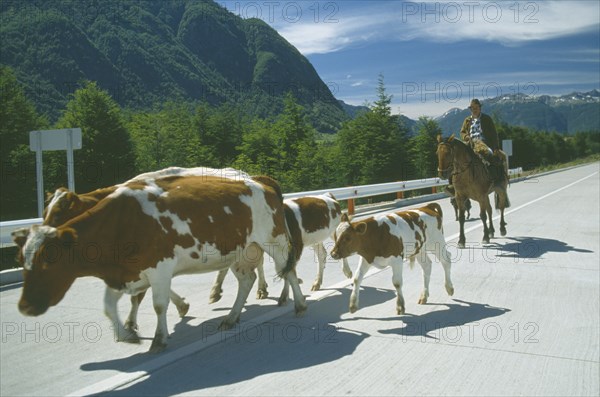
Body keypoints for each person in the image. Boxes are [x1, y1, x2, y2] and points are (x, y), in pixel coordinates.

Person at [445, 99, 505, 196]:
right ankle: (453, 186)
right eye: (472, 108)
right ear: (470, 109)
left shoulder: (486, 119)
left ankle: (496, 181)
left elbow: (493, 134)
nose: (474, 110)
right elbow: (462, 132)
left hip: (483, 143)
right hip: (470, 143)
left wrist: (495, 147)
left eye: (476, 108)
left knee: (490, 157)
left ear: (480, 108)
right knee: (455, 159)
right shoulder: (467, 120)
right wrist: (466, 137)